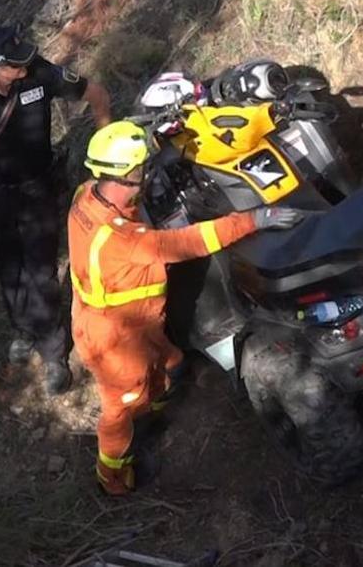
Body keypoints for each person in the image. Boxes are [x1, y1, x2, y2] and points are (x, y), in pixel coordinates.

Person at [68, 121, 304, 495]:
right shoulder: (121, 240)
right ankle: (112, 475)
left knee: (169, 362)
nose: (145, 176)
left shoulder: (87, 196)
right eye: (141, 169)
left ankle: (154, 406)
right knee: (121, 405)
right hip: (114, 339)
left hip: (132, 323)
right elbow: (187, 242)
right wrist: (254, 219)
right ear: (129, 174)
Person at [0, 23, 112, 394]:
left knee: (40, 271)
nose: (24, 68)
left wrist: (107, 155)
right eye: (14, 65)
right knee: (7, 267)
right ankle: (23, 327)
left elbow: (97, 95)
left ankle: (53, 354)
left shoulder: (41, 75)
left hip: (37, 191)